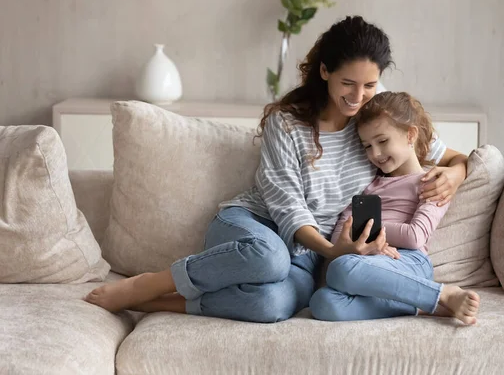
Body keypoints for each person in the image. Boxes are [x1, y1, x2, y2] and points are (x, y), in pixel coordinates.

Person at [84, 16, 469, 323]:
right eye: (347, 83)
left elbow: (448, 154)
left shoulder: (374, 124)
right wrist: (334, 249)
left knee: (271, 305)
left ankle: (163, 304)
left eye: (369, 85)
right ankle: (151, 284)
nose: (357, 96)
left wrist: (455, 174)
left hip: (308, 254)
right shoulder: (287, 124)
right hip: (256, 225)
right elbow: (287, 207)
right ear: (324, 72)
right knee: (270, 258)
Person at [309, 91, 480, 325]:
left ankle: (443, 294)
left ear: (410, 135)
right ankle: (421, 307)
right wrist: (370, 246)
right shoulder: (366, 185)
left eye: (382, 141)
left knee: (340, 269)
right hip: (367, 261)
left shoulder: (432, 182)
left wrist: (370, 234)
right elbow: (341, 235)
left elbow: (414, 236)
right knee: (322, 301)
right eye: (367, 146)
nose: (375, 154)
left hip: (409, 261)